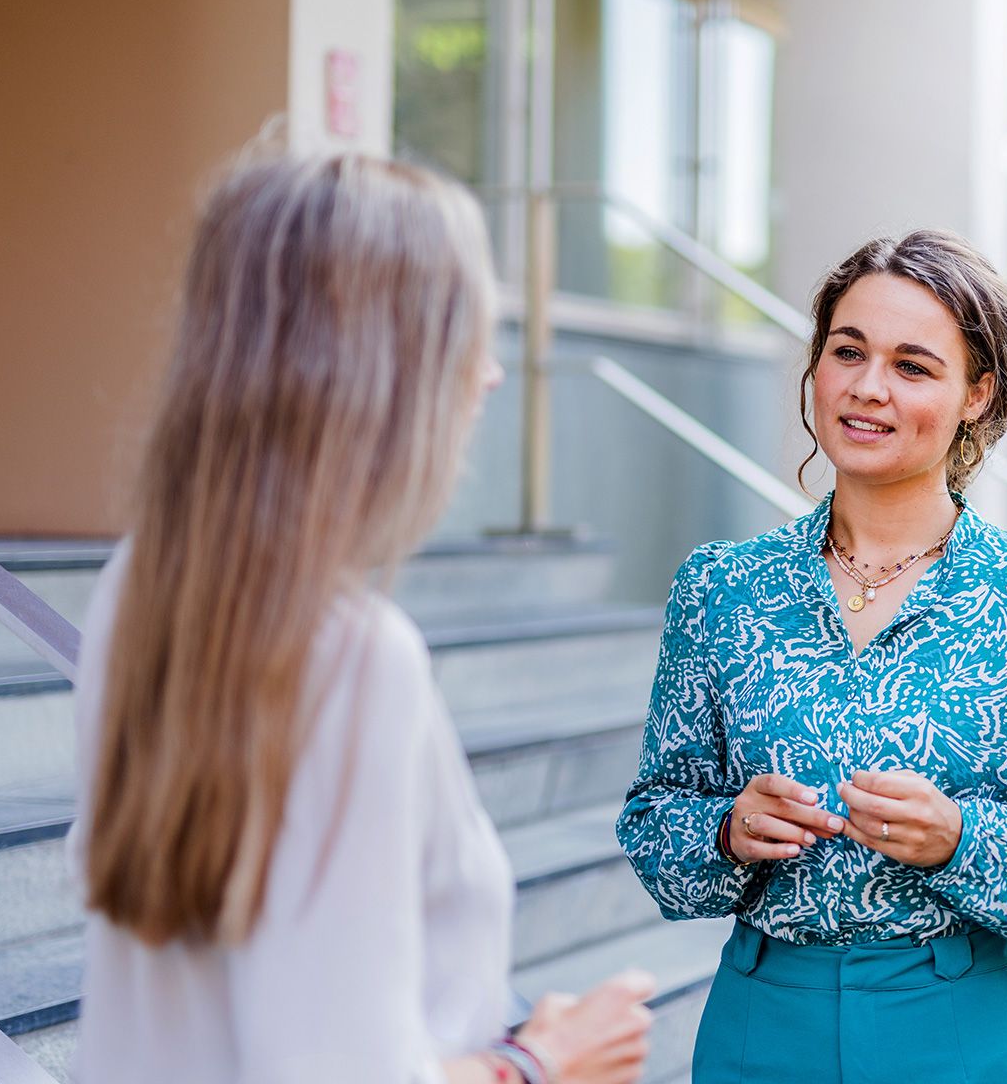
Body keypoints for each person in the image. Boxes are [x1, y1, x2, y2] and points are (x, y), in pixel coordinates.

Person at [68, 150, 653, 1084]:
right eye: (468, 334)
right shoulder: (350, 655)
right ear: (389, 369)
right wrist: (541, 1060)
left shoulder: (139, 589)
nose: (493, 376)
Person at [616, 230, 1007, 1084]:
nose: (869, 388)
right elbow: (654, 827)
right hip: (762, 1022)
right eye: (848, 352)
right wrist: (728, 830)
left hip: (961, 1023)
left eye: (913, 366)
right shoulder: (721, 588)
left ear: (977, 394)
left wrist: (960, 840)